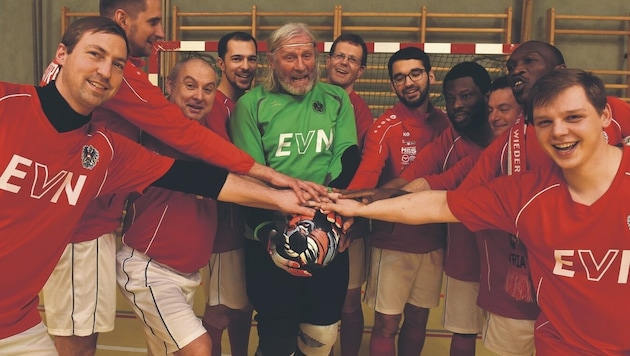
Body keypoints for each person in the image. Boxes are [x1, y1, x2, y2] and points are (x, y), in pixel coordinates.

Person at [0, 16, 317, 356]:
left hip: (18, 325)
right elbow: (182, 136)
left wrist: (284, 199)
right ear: (61, 54)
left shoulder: (108, 152)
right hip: (141, 264)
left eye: (118, 64)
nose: (105, 71)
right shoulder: (8, 106)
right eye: (95, 54)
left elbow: (205, 181)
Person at [318, 68, 630, 355]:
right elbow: (439, 202)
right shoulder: (523, 193)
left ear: (604, 115)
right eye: (545, 122)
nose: (559, 132)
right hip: (562, 346)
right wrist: (354, 206)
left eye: (573, 117)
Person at [229, 22, 360, 356]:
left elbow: (346, 157)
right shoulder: (250, 105)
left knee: (322, 333)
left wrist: (331, 217)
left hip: (326, 230)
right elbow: (250, 174)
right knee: (276, 332)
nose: (300, 66)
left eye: (307, 55)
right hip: (270, 230)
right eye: (290, 57)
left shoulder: (335, 99)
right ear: (271, 62)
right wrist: (269, 232)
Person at [345, 46, 451, 356]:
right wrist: (348, 208)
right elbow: (366, 176)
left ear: (430, 75)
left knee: (418, 320)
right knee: (386, 325)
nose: (409, 83)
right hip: (391, 245)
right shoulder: (384, 126)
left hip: (434, 242)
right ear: (393, 85)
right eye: (400, 78)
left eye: (415, 74)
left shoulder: (446, 124)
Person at [116, 54, 223, 355]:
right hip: (149, 270)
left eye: (208, 89)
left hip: (186, 275)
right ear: (170, 85)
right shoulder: (162, 131)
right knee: (199, 347)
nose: (199, 96)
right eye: (190, 85)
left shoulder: (210, 137)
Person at [198, 31, 258, 356]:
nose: (245, 65)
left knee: (242, 307)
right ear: (221, 62)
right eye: (237, 59)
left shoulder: (246, 104)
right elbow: (228, 167)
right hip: (223, 229)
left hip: (245, 226)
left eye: (251, 58)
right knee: (219, 311)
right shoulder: (214, 106)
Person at [325, 33, 373, 356]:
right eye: (339, 56)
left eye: (352, 59)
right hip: (308, 216)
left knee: (348, 301)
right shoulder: (308, 100)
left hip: (346, 223)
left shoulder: (361, 113)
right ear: (327, 61)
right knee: (316, 300)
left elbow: (366, 173)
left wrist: (349, 216)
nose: (344, 62)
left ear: (361, 70)